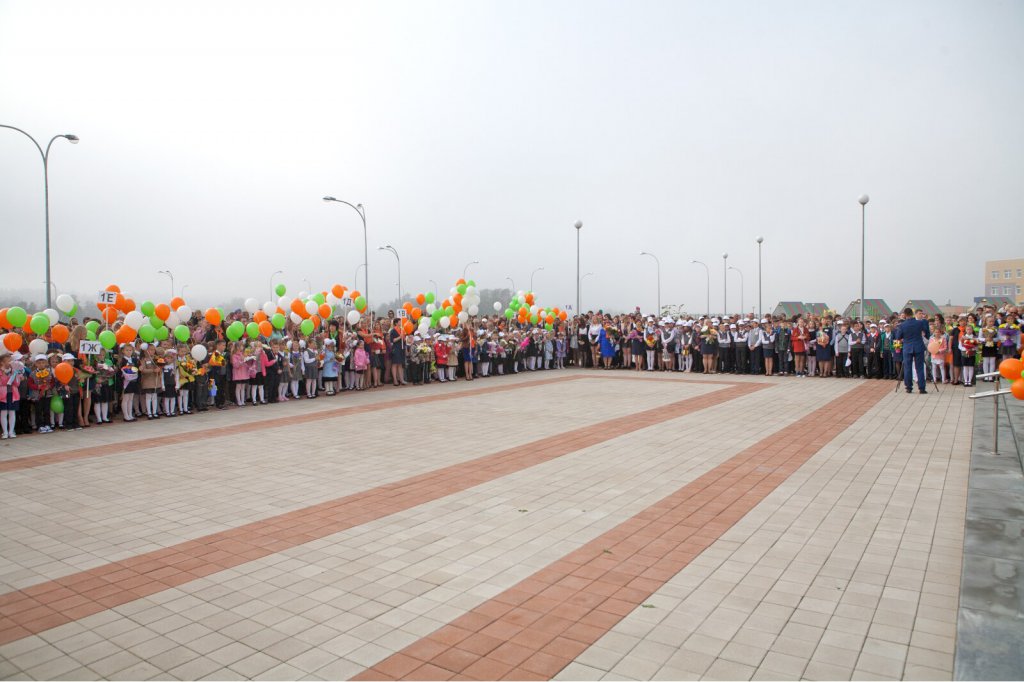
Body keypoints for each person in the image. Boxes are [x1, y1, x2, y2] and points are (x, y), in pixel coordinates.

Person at [894, 307, 930, 393]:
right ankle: (922, 388)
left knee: (908, 368)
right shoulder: (919, 323)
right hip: (918, 346)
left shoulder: (902, 325)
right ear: (912, 314)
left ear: (905, 315)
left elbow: (898, 337)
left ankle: (909, 387)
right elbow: (926, 331)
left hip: (907, 347)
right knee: (920, 368)